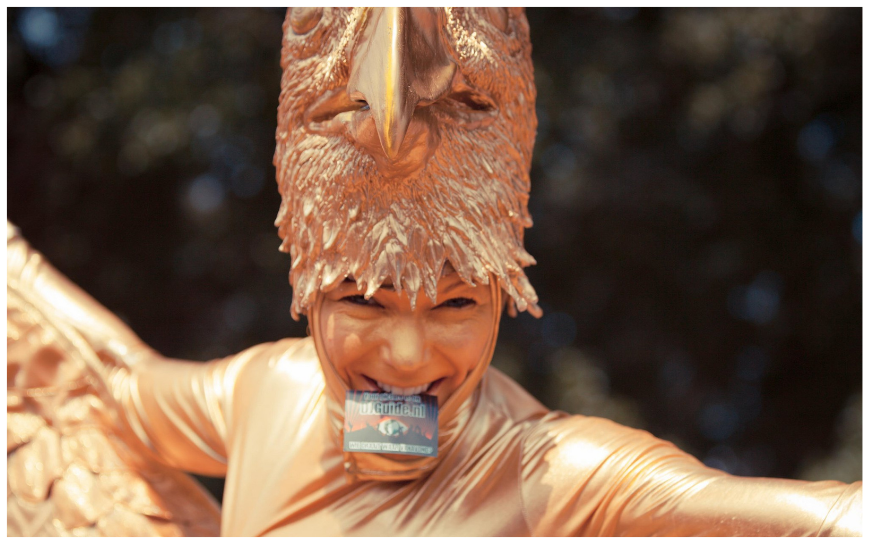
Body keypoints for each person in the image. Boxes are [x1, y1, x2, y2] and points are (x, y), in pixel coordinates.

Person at [7, 7, 862, 537]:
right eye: (360, 299)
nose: (410, 357)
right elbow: (99, 387)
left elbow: (821, 524)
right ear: (305, 287)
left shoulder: (553, 476)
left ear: (503, 291)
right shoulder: (263, 391)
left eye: (456, 300)